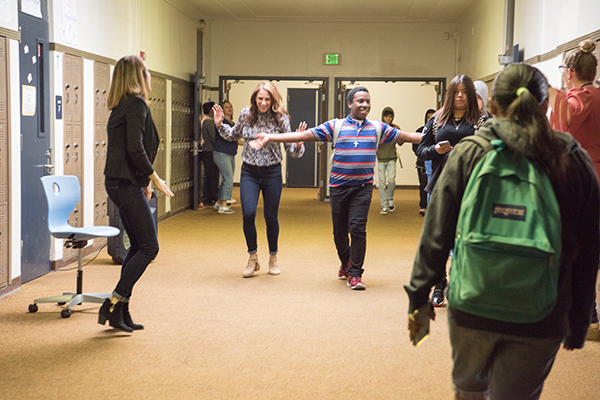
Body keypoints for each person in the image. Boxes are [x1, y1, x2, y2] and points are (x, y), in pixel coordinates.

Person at [405, 63, 599, 400]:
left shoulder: (469, 153)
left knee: (469, 391)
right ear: (545, 106)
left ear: (491, 107)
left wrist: (419, 301)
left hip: (472, 306)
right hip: (543, 310)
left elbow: (436, 235)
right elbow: (589, 247)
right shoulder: (571, 157)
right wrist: (580, 317)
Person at [250, 87, 421, 290]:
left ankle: (355, 273)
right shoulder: (336, 126)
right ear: (350, 104)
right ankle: (345, 263)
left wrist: (438, 137)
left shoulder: (378, 128)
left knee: (358, 228)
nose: (365, 104)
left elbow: (410, 137)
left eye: (367, 101)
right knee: (339, 232)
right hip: (339, 187)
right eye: (360, 101)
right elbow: (304, 135)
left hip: (363, 187)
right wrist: (270, 137)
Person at [101, 55, 174, 332]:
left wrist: (144, 181)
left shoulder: (122, 106)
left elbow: (133, 147)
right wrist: (153, 178)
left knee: (137, 246)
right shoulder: (135, 104)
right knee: (149, 247)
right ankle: (113, 302)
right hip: (124, 184)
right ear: (139, 76)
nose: (150, 77)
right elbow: (135, 148)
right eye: (146, 71)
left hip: (124, 182)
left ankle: (121, 312)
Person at [212, 82, 305, 278]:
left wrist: (297, 144)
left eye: (267, 99)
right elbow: (232, 135)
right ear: (255, 98)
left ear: (273, 99)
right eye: (260, 98)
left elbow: (292, 152)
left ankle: (273, 258)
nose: (263, 103)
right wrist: (220, 124)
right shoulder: (246, 114)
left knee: (271, 217)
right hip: (250, 172)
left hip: (272, 172)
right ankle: (253, 258)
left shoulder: (281, 119)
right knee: (248, 214)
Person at [415, 74, 485, 307]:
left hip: (471, 186)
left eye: (465, 92)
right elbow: (421, 151)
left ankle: (463, 284)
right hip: (441, 184)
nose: (460, 96)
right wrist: (436, 149)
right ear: (450, 95)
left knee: (467, 237)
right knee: (440, 238)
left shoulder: (481, 121)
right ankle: (439, 284)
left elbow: (492, 151)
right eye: (456, 92)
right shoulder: (436, 120)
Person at [548, 39, 600, 341]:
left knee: (575, 247)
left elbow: (565, 117)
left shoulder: (584, 97)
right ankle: (584, 311)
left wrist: (553, 93)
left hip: (581, 178)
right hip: (590, 175)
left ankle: (585, 313)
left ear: (569, 71)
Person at [213, 100, 238, 214]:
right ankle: (224, 205)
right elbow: (228, 137)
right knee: (228, 178)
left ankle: (219, 201)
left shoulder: (232, 123)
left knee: (226, 178)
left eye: (230, 106)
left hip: (230, 153)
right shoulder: (222, 123)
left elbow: (235, 138)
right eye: (226, 107)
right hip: (222, 153)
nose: (229, 109)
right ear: (222, 110)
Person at [377, 107, 402, 215]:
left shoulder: (394, 128)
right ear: (383, 117)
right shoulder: (379, 128)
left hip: (391, 158)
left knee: (391, 181)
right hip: (381, 159)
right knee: (382, 184)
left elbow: (401, 142)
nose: (388, 118)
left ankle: (390, 199)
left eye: (390, 116)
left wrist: (398, 132)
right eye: (386, 116)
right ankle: (383, 206)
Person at [413, 109, 435, 216]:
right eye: (428, 117)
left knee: (433, 184)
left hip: (435, 162)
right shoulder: (420, 131)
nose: (429, 119)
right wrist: (421, 155)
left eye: (432, 117)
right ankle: (424, 206)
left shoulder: (439, 130)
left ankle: (432, 206)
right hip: (422, 163)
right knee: (423, 184)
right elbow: (415, 147)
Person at [201, 101, 219, 207]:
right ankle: (211, 196)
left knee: (208, 175)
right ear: (211, 110)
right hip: (210, 150)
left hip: (206, 150)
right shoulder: (209, 122)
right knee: (212, 175)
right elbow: (213, 137)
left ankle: (208, 197)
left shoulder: (204, 120)